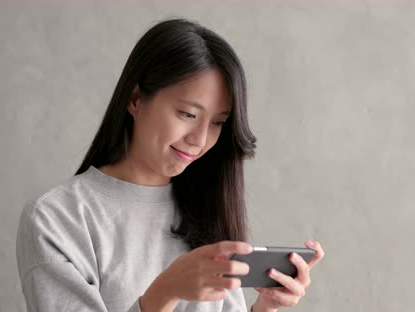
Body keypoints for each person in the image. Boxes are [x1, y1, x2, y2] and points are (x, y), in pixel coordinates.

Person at [16, 18, 324, 312]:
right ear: (136, 99)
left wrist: (265, 306)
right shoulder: (58, 218)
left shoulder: (207, 209)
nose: (200, 139)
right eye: (188, 114)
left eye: (217, 122)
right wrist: (166, 291)